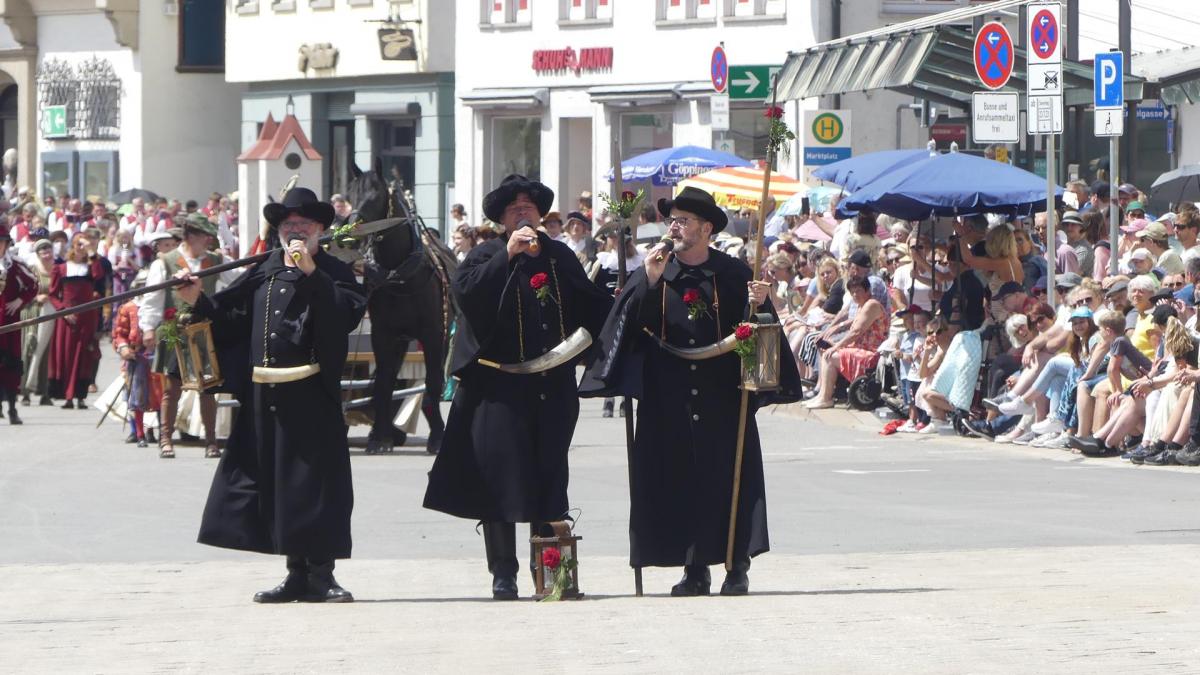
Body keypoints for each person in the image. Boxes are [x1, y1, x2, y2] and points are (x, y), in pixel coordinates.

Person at [580, 185, 801, 597]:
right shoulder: (656, 268)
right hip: (669, 392)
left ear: (706, 228)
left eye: (683, 221)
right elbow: (625, 326)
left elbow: (760, 338)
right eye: (672, 220)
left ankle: (736, 565)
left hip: (722, 393)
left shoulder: (733, 272)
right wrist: (647, 281)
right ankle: (694, 567)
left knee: (728, 476)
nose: (674, 227)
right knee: (678, 480)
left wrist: (760, 304)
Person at [423, 174, 612, 601]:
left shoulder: (559, 256)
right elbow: (465, 297)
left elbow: (589, 304)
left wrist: (624, 295)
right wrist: (506, 257)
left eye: (529, 207)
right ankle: (503, 573)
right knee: (500, 481)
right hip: (498, 387)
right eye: (514, 209)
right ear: (503, 219)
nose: (523, 213)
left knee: (551, 479)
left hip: (551, 385)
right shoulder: (484, 255)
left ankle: (552, 573)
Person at [179, 186, 367, 603]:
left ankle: (322, 575)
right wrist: (199, 301)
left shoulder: (333, 271)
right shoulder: (264, 269)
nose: (295, 230)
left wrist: (311, 273)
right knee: (278, 485)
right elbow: (232, 320)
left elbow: (345, 315)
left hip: (311, 393)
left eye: (304, 223)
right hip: (265, 395)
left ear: (320, 229)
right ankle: (295, 573)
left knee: (314, 485)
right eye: (288, 224)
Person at [139, 213, 242, 459]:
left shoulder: (216, 260)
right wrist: (148, 328)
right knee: (171, 388)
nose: (209, 242)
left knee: (208, 388)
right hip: (175, 331)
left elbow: (240, 280)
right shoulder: (165, 262)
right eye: (205, 237)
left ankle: (211, 442)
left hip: (204, 331)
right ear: (191, 237)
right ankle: (166, 439)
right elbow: (152, 299)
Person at [0, 224, 36, 423]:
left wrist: (20, 301)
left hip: (9, 323)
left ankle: (13, 409)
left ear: (7, 244)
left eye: (1, 242)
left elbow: (33, 284)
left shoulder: (14, 265)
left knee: (10, 366)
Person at [19, 238, 55, 406]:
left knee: (46, 352)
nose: (47, 254)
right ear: (38, 254)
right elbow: (21, 291)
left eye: (49, 251)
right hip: (32, 312)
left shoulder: (57, 270)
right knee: (30, 349)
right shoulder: (32, 270)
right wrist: (36, 297)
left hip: (51, 313)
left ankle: (44, 392)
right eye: (43, 252)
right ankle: (25, 391)